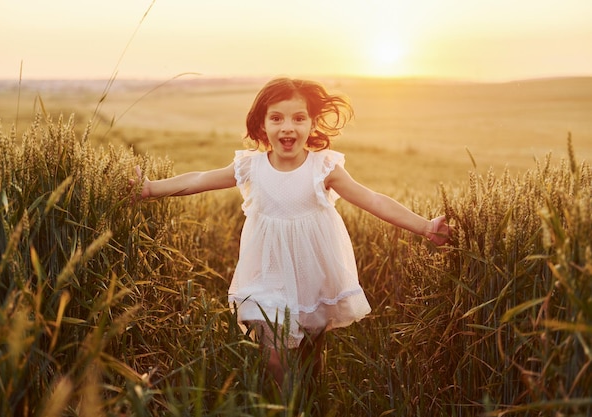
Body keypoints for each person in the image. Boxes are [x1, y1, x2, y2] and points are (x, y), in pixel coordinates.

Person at [130, 77, 450, 389]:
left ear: (312, 124)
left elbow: (373, 199)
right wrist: (149, 189)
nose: (288, 127)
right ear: (262, 124)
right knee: (274, 356)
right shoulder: (250, 167)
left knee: (311, 354)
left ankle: (310, 400)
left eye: (299, 118)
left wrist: (424, 227)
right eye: (277, 118)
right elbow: (199, 179)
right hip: (267, 273)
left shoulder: (323, 168)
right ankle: (285, 406)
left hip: (313, 272)